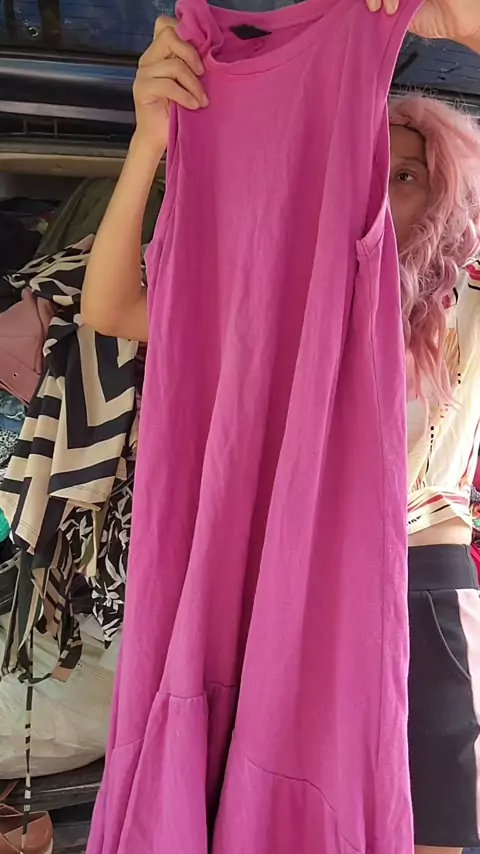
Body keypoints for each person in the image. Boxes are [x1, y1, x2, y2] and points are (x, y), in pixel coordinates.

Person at [81, 3, 480, 853]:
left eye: (408, 173)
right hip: (272, 578)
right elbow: (109, 308)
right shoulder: (281, 306)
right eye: (376, 158)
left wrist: (463, 20)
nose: (379, 180)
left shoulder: (467, 310)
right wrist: (150, 143)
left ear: (449, 197)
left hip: (418, 589)